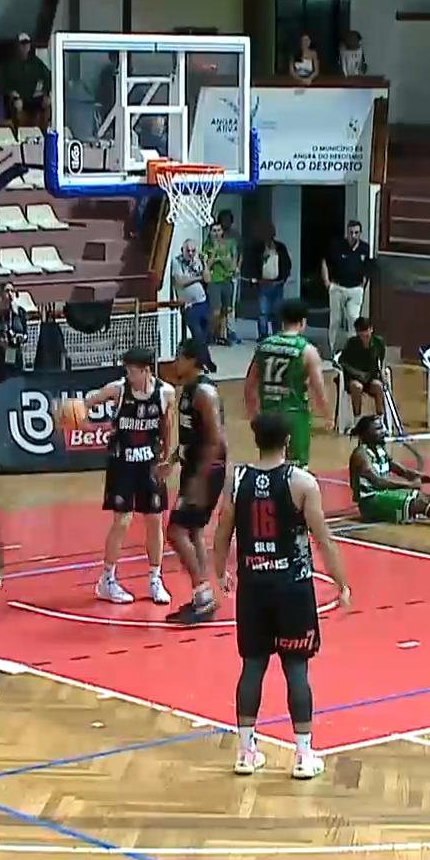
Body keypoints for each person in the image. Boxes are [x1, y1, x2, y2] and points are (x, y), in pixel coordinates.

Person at [210, 411, 352, 779]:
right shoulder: (302, 482)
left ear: (256, 440)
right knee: (296, 668)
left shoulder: (237, 479)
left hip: (253, 586)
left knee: (253, 665)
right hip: (293, 587)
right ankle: (303, 756)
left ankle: (245, 752)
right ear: (288, 442)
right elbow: (323, 538)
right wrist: (341, 582)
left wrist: (219, 571)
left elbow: (222, 529)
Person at [80, 347, 178, 605]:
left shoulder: (166, 393)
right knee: (122, 521)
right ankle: (107, 580)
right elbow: (89, 399)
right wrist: (77, 413)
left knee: (155, 521)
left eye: (131, 371)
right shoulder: (119, 389)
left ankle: (155, 578)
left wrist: (166, 459)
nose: (128, 375)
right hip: (122, 463)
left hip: (149, 465)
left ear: (145, 370)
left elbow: (167, 426)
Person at [164, 339, 228, 625]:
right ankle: (206, 595)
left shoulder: (204, 393)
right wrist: (174, 459)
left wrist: (202, 478)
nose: (175, 363)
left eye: (179, 357)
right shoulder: (189, 391)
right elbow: (194, 437)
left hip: (206, 471)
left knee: (176, 532)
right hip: (196, 469)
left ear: (192, 361)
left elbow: (216, 441)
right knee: (194, 532)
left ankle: (202, 595)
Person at [246, 298, 329, 468]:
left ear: (282, 320)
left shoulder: (264, 346)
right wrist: (326, 414)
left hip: (268, 414)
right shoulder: (307, 350)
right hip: (294, 416)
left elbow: (249, 386)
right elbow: (318, 388)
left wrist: (254, 416)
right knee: (296, 470)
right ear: (303, 321)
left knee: (269, 465)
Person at [322, 219, 373, 354]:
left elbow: (369, 267)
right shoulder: (338, 245)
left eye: (356, 233)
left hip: (355, 288)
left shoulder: (365, 248)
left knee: (353, 318)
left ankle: (351, 350)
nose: (353, 235)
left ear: (360, 233)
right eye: (351, 233)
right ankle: (333, 349)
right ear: (347, 233)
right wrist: (327, 281)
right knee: (335, 319)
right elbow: (325, 261)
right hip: (338, 287)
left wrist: (363, 284)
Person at [172, 238, 214, 372]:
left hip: (202, 302)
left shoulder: (198, 261)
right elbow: (180, 281)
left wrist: (205, 263)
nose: (190, 253)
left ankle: (200, 360)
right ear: (182, 250)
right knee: (198, 334)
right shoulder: (177, 262)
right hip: (189, 305)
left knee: (204, 335)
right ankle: (207, 362)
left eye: (193, 251)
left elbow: (207, 279)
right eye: (187, 250)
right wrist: (198, 277)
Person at [336, 316, 388, 424]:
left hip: (371, 377)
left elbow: (381, 361)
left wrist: (382, 372)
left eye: (367, 333)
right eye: (362, 334)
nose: (365, 336)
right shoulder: (351, 343)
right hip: (354, 377)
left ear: (371, 329)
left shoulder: (378, 343)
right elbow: (342, 362)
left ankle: (381, 419)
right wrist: (358, 373)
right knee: (357, 387)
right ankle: (357, 420)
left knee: (378, 387)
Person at [202, 216, 240, 345]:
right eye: (214, 231)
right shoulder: (206, 246)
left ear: (222, 231)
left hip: (227, 279)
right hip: (214, 281)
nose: (217, 233)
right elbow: (207, 264)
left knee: (226, 310)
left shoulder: (230, 243)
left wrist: (223, 260)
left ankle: (222, 336)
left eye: (218, 230)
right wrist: (215, 253)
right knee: (215, 311)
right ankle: (209, 334)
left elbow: (231, 262)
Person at [1, 32, 51, 128]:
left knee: (47, 103)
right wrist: (12, 93)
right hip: (18, 98)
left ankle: (44, 132)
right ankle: (20, 133)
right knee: (17, 105)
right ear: (18, 46)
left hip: (32, 97)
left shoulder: (36, 62)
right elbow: (2, 83)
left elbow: (48, 76)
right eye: (23, 44)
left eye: (27, 43)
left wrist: (45, 92)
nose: (25, 46)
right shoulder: (10, 64)